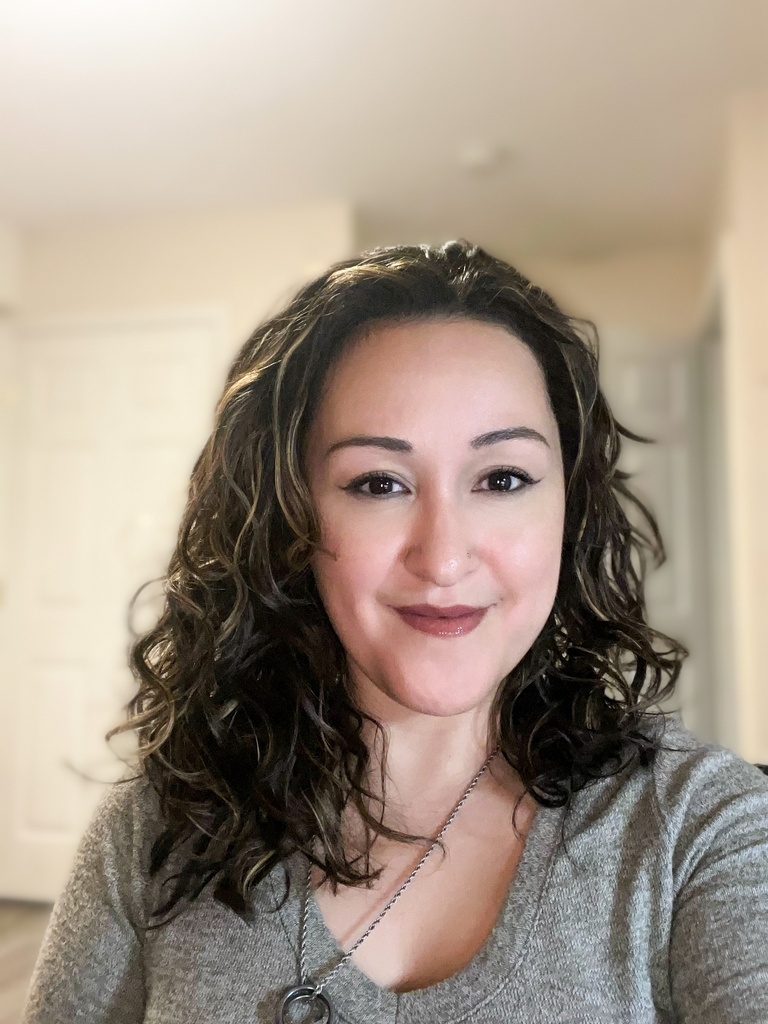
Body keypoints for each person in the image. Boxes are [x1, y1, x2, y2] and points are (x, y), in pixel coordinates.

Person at [22, 241, 768, 1024]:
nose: (443, 557)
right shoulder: (152, 834)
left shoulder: (703, 829)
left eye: (502, 479)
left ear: (568, 509)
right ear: (292, 519)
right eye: (379, 484)